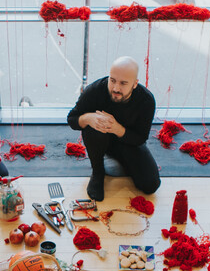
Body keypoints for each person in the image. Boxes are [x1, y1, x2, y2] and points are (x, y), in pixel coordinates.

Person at [66, 56, 160, 201]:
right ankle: (98, 172)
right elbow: (72, 119)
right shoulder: (95, 90)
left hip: (128, 141)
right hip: (99, 139)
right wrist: (88, 118)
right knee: (93, 127)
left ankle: (122, 161)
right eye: (113, 80)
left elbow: (140, 138)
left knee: (150, 185)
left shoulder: (146, 100)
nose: (116, 88)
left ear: (135, 84)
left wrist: (117, 128)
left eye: (123, 83)